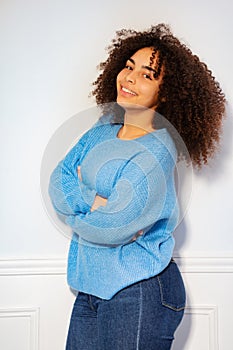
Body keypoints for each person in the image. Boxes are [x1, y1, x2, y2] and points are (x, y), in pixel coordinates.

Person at [48, 23, 225, 349]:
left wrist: (82, 206)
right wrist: (94, 200)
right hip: (89, 290)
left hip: (138, 288)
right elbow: (58, 179)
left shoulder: (158, 150)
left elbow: (113, 226)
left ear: (167, 91)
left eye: (146, 75)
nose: (129, 78)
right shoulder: (101, 130)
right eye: (128, 67)